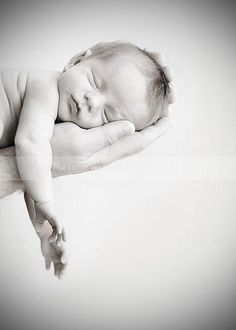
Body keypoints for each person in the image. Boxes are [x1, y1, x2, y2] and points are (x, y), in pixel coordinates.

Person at [0, 41, 174, 277]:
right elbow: (29, 144)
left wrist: (43, 233)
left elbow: (31, 173)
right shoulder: (46, 86)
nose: (93, 101)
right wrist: (46, 203)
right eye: (95, 82)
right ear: (77, 60)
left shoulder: (50, 129)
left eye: (107, 114)